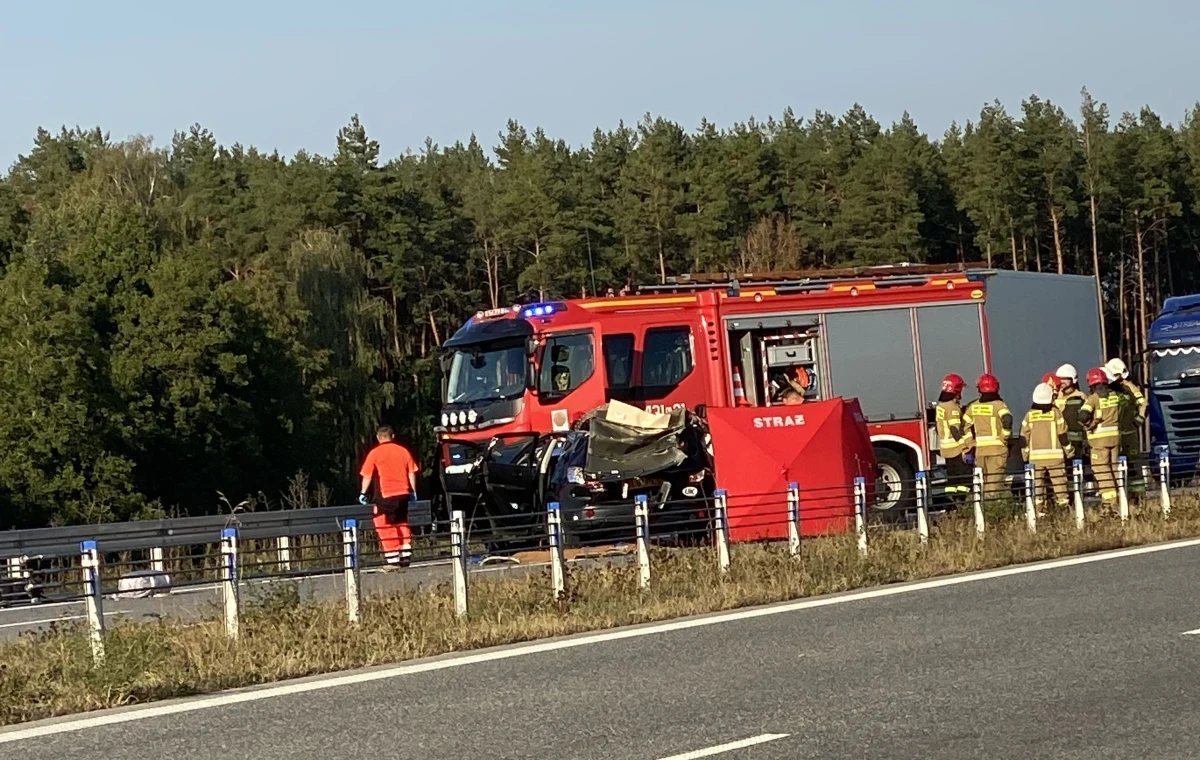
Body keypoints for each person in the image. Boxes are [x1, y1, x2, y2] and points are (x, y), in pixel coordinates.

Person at [359, 425, 420, 568]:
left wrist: (363, 493)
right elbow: (411, 472)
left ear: (378, 438)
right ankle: (405, 552)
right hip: (403, 494)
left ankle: (393, 559)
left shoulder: (375, 453)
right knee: (401, 522)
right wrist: (413, 491)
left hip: (386, 494)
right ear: (393, 437)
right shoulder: (403, 451)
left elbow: (367, 476)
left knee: (383, 523)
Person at [1021, 382, 1071, 512]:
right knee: (1060, 484)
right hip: (1056, 458)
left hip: (1035, 459)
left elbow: (1023, 438)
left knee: (1037, 486)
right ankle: (1063, 510)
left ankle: (1039, 511)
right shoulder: (1056, 413)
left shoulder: (1029, 415)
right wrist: (1070, 452)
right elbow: (1063, 434)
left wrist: (1025, 455)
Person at [963, 373, 1012, 498]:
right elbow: (1007, 420)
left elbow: (963, 426)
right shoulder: (998, 405)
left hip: (980, 451)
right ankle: (994, 512)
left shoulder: (973, 406)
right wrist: (1004, 438)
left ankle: (983, 512)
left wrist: (970, 443)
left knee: (982, 485)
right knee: (994, 486)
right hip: (997, 451)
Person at [1079, 367, 1121, 508]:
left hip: (1099, 440)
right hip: (1115, 438)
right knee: (1114, 469)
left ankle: (1110, 503)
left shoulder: (1093, 398)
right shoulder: (1114, 395)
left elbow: (1083, 415)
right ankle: (1121, 499)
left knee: (1102, 470)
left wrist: (1089, 424)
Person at [1105, 357, 1147, 489]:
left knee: (1133, 464)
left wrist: (1137, 422)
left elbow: (1144, 404)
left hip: (1129, 434)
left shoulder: (1130, 388)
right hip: (1115, 435)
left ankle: (1138, 496)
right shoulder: (1109, 389)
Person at [935, 373, 973, 505]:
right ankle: (963, 502)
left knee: (952, 479)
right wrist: (965, 447)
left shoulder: (941, 405)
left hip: (946, 449)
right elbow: (955, 429)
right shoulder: (952, 407)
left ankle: (953, 502)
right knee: (965, 478)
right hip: (956, 449)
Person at [1054, 363, 1089, 468]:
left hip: (1076, 441)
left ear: (1073, 380)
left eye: (1065, 379)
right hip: (1060, 440)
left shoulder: (1080, 397)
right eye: (1060, 379)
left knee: (1076, 467)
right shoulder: (1055, 397)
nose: (1062, 382)